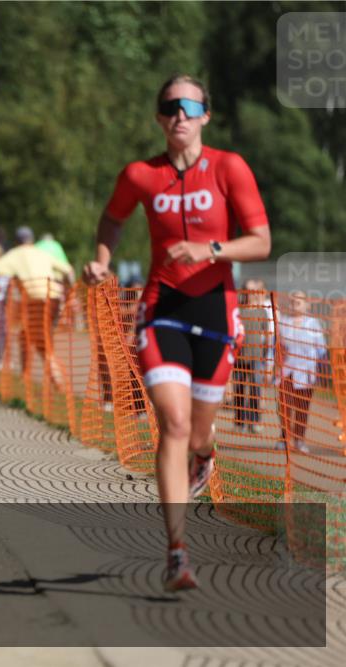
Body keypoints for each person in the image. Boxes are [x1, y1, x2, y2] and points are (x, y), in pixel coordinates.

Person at [83, 75, 271, 591]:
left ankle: (206, 454)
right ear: (159, 117)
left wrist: (210, 250)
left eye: (189, 105)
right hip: (162, 307)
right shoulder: (141, 174)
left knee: (199, 432)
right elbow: (112, 219)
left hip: (216, 311)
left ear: (206, 114)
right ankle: (176, 552)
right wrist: (102, 259)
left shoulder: (229, 167)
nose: (179, 114)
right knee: (174, 423)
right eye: (170, 106)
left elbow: (260, 241)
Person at [0, 225, 75, 387]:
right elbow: (69, 270)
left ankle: (59, 384)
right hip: (53, 298)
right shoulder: (41, 252)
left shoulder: (15, 254)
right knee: (27, 336)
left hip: (37, 301)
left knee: (41, 342)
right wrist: (70, 294)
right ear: (32, 239)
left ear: (17, 241)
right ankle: (30, 378)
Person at [276, 290, 327, 454]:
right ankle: (285, 438)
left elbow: (321, 349)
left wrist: (323, 372)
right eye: (292, 301)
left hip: (306, 373)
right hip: (287, 372)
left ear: (306, 304)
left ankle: (299, 440)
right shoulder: (284, 322)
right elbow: (277, 347)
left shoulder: (313, 324)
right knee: (284, 407)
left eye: (299, 301)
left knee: (302, 408)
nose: (295, 304)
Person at [232, 279, 274, 435]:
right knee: (239, 390)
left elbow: (268, 335)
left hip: (257, 357)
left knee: (256, 389)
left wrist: (267, 357)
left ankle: (255, 421)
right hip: (239, 358)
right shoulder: (238, 311)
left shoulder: (261, 311)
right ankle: (239, 422)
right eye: (247, 290)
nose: (250, 294)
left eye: (253, 291)